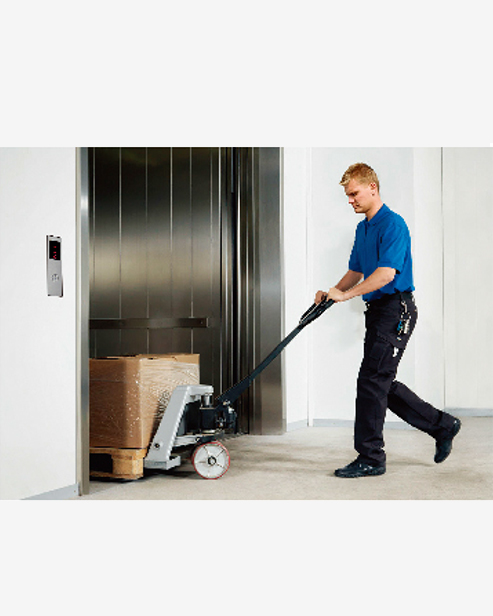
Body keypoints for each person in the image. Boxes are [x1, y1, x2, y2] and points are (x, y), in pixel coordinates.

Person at [315, 163, 461, 478]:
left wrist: (347, 295)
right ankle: (443, 425)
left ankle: (371, 458)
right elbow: (356, 271)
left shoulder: (393, 225)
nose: (350, 200)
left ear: (373, 188)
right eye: (347, 195)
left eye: (353, 193)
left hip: (397, 310)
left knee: (372, 382)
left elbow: (384, 275)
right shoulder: (363, 228)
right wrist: (332, 292)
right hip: (379, 312)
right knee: (379, 382)